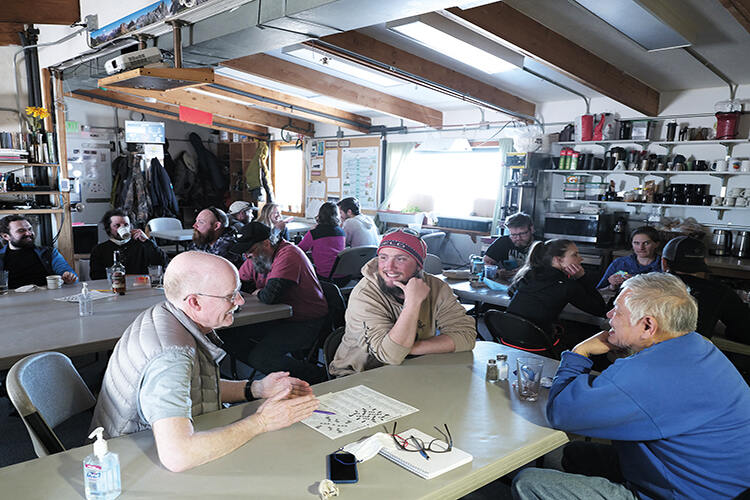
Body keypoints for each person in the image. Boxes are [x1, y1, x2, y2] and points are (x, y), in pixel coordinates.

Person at [513, 273, 750, 500]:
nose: (609, 314)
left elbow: (560, 413)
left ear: (648, 325)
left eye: (617, 310)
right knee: (573, 453)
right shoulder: (701, 347)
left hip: (682, 494)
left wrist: (580, 352)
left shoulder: (647, 374)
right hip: (725, 485)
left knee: (528, 481)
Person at [89, 252, 319, 472]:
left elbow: (192, 386)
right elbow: (178, 456)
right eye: (231, 295)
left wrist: (256, 388)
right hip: (131, 464)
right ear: (194, 302)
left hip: (141, 444)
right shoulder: (171, 357)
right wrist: (261, 422)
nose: (240, 301)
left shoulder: (164, 313)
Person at [329, 228, 477, 377]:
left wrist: (409, 348)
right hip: (357, 376)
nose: (389, 267)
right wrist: (413, 303)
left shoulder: (437, 287)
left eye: (401, 259)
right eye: (383, 257)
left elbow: (466, 336)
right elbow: (390, 355)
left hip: (410, 367)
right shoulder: (364, 295)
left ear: (419, 265)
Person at [221, 222, 328, 383]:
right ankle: (270, 372)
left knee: (261, 358)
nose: (247, 256)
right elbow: (235, 283)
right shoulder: (258, 256)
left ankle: (316, 376)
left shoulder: (289, 254)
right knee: (226, 336)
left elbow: (270, 296)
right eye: (245, 253)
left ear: (266, 243)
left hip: (306, 322)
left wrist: (257, 292)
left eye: (250, 251)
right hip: (278, 319)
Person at [507, 239, 607, 337]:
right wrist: (582, 278)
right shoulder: (566, 285)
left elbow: (512, 293)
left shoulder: (528, 275)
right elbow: (601, 310)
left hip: (507, 337)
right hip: (534, 345)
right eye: (575, 255)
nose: (581, 259)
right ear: (558, 260)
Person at [661, 235, 750, 343]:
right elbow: (745, 333)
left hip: (642, 355)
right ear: (704, 262)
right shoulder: (720, 292)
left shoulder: (644, 286)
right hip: (692, 356)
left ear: (664, 263)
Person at [0, 214, 77, 288]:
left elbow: (69, 273)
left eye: (30, 229)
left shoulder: (49, 253)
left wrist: (68, 277)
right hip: (12, 299)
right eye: (21, 230)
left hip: (48, 297)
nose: (28, 233)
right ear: (6, 236)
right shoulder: (1, 257)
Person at [89, 209, 168, 280]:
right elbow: (95, 276)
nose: (123, 228)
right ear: (108, 228)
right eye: (117, 226)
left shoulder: (142, 245)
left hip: (140, 287)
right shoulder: (100, 249)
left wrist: (147, 241)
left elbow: (162, 264)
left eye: (126, 225)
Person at [597, 226, 661, 290]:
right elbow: (600, 291)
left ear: (656, 244)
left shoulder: (664, 266)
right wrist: (612, 286)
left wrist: (638, 282)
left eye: (646, 243)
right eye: (636, 243)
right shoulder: (619, 263)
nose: (641, 247)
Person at [297, 202, 346, 280]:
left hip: (326, 277)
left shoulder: (314, 233)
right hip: (344, 277)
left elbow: (299, 250)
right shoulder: (341, 232)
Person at [483, 212, 535, 280]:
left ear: (531, 229)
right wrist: (497, 272)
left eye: (522, 233)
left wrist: (525, 272)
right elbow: (486, 261)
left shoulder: (542, 245)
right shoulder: (503, 242)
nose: (518, 238)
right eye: (513, 235)